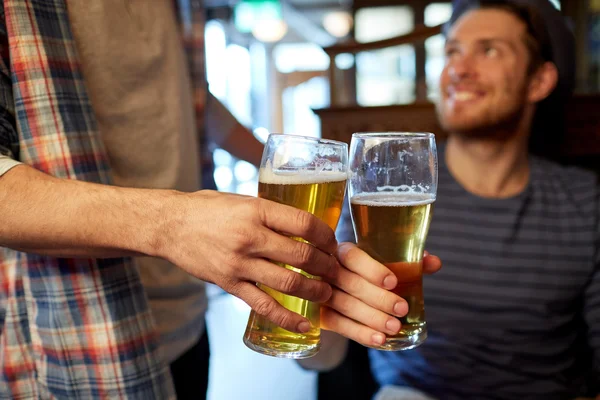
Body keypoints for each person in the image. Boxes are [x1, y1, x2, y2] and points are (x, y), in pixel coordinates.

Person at [0, 1, 443, 399]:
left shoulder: (182, 9)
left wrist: (293, 167)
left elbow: (187, 99)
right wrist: (170, 224)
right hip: (62, 330)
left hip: (184, 316)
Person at [300, 1, 599, 399]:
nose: (458, 69)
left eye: (489, 49)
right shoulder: (381, 188)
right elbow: (321, 359)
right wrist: (305, 298)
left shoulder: (585, 201)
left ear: (539, 81)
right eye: (453, 51)